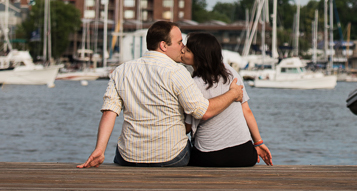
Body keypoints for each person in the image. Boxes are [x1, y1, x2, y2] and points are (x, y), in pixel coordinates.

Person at [78, 20, 243, 168]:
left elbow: (109, 112)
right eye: (179, 43)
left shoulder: (122, 70)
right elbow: (203, 111)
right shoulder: (177, 71)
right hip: (172, 158)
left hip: (128, 157)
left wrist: (99, 149)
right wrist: (233, 94)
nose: (183, 47)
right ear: (164, 46)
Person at [182, 32, 272, 168]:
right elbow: (246, 110)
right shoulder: (231, 73)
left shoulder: (194, 84)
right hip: (246, 155)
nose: (182, 50)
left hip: (209, 157)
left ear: (199, 56)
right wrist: (258, 143)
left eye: (187, 50)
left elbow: (188, 127)